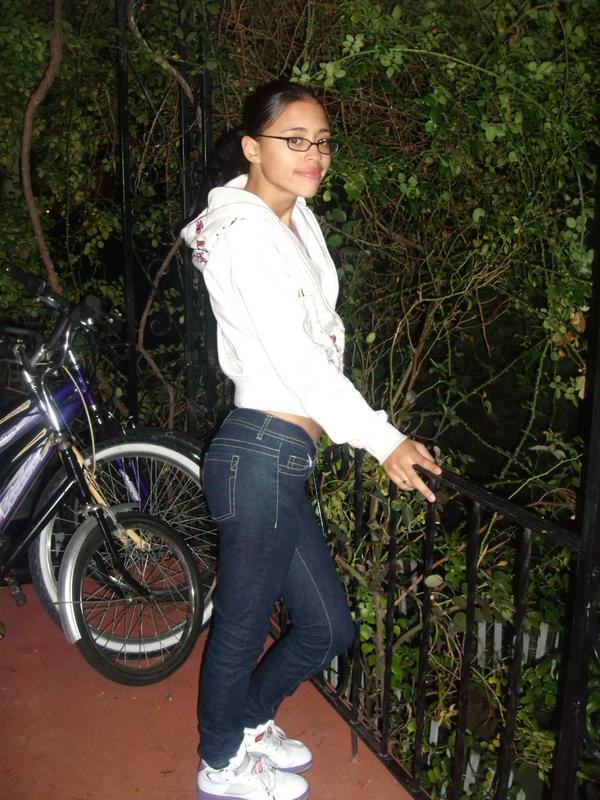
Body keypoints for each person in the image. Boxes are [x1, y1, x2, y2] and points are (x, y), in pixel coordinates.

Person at [181, 79, 441, 800]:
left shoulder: (294, 221)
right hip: (258, 453)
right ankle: (219, 762)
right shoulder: (243, 236)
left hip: (281, 457)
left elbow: (320, 336)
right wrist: (382, 438)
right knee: (241, 626)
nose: (314, 154)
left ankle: (251, 720)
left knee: (328, 626)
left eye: (322, 141)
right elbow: (299, 361)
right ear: (251, 147)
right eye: (294, 140)